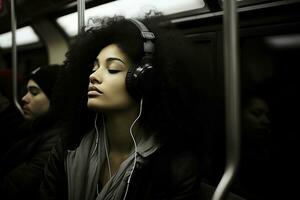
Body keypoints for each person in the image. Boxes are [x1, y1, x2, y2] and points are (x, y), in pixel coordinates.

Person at [40, 15, 212, 200]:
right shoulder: (68, 146)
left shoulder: (174, 167)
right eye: (93, 68)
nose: (94, 76)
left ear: (144, 80)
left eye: (112, 69)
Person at [0, 64, 63, 200]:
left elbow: (15, 187)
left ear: (55, 98)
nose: (24, 98)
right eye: (26, 91)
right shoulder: (31, 129)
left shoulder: (55, 141)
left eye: (34, 92)